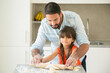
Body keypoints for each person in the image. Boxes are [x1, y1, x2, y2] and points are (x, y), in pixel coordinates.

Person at [31, 2, 89, 71]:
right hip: (56, 64)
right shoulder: (44, 24)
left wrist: (74, 57)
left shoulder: (74, 18)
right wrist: (36, 55)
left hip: (76, 63)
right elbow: (37, 46)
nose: (53, 23)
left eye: (55, 19)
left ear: (60, 14)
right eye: (49, 20)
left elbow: (85, 44)